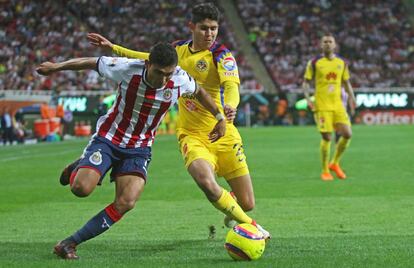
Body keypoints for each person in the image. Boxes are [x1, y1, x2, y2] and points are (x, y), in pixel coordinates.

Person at [85, 3, 270, 238]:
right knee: (206, 181)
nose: (210, 34)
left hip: (223, 133)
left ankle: (233, 210)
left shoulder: (221, 55)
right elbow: (146, 58)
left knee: (247, 201)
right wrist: (114, 48)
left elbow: (231, 86)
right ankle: (252, 225)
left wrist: (230, 106)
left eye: (214, 29)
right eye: (204, 28)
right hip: (192, 135)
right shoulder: (177, 51)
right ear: (192, 27)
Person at [36, 42, 226, 259]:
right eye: (159, 73)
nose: (163, 80)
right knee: (80, 189)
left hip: (139, 148)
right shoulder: (127, 68)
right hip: (109, 137)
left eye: (168, 74)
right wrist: (56, 67)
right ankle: (80, 165)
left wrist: (219, 117)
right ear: (148, 64)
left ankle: (69, 243)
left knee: (126, 202)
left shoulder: (180, 79)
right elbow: (91, 62)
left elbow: (199, 91)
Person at [302, 33, 356, 181]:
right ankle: (325, 170)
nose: (327, 44)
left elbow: (346, 82)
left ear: (335, 44)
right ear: (321, 45)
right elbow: (306, 82)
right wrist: (308, 99)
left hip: (338, 105)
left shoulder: (342, 63)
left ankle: (335, 163)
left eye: (330, 41)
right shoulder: (314, 62)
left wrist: (352, 98)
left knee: (347, 133)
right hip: (322, 105)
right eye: (324, 42)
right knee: (327, 137)